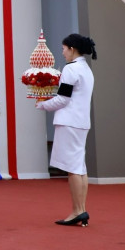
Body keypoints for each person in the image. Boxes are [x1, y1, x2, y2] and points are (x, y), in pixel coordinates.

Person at [36, 33, 97, 227]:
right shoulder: (86, 69)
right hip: (81, 122)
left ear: (72, 49)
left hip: (69, 122)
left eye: (63, 49)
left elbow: (63, 99)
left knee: (73, 169)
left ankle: (78, 211)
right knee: (80, 167)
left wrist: (42, 104)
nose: (62, 52)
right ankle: (81, 209)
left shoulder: (71, 69)